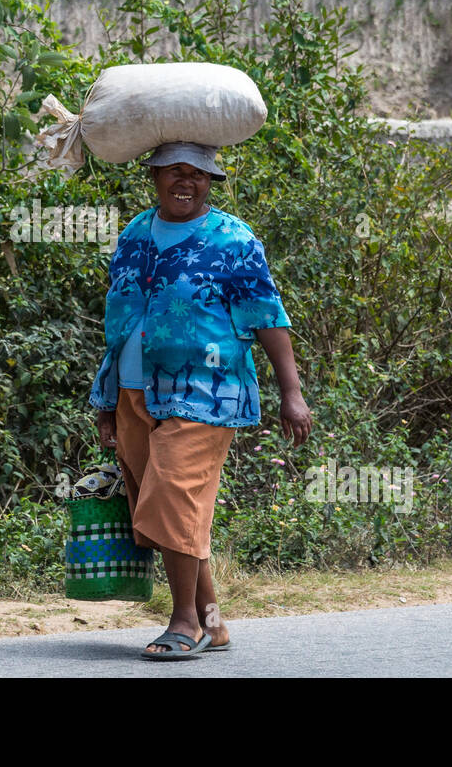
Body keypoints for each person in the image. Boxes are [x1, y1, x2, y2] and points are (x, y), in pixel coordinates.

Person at [90, 141, 313, 659]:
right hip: (132, 393)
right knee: (175, 512)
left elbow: (267, 316)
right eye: (174, 173)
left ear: (211, 182)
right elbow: (120, 325)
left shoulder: (232, 237)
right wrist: (106, 401)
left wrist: (292, 392)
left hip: (207, 392)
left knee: (172, 497)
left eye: (197, 174)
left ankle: (184, 621)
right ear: (155, 177)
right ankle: (213, 624)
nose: (184, 183)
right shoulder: (133, 235)